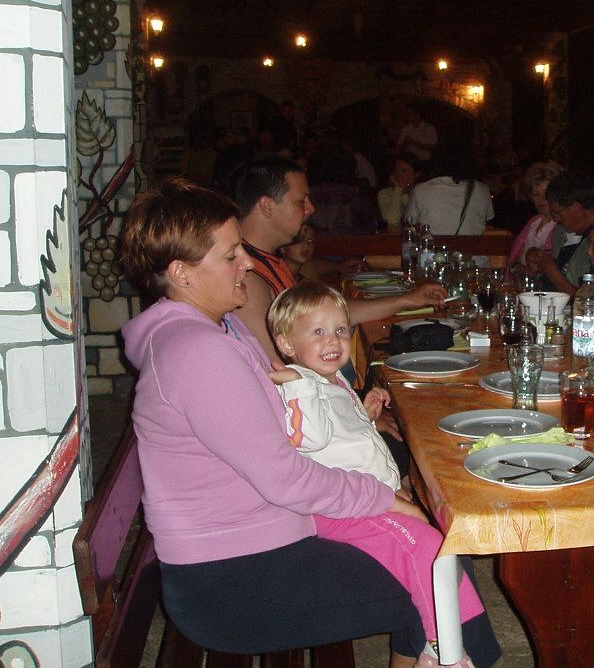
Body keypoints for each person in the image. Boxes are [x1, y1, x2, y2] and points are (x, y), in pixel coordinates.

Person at [118, 178, 500, 666]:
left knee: (436, 558)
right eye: (231, 255)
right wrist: (383, 498)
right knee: (438, 570)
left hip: (255, 544)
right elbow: (286, 477)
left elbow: (286, 431)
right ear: (182, 273)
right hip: (233, 581)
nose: (247, 263)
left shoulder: (215, 329)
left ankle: (445, 650)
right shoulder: (197, 352)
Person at [267, 281, 486, 668]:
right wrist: (299, 387)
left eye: (339, 329)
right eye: (317, 332)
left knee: (439, 543)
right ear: (286, 344)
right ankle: (441, 648)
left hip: (365, 498)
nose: (333, 340)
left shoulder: (331, 380)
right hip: (341, 511)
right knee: (426, 547)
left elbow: (339, 439)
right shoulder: (300, 385)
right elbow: (309, 439)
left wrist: (365, 417)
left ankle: (448, 636)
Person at [232, 157, 446, 364]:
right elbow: (276, 367)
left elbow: (325, 316)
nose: (311, 209)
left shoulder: (268, 261)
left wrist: (407, 300)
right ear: (266, 206)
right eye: (301, 201)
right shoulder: (247, 277)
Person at [530, 170, 594, 295]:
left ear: (576, 209)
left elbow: (589, 301)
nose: (555, 219)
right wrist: (536, 257)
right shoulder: (561, 231)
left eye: (557, 213)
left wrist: (553, 273)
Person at [406, 147, 494, 236]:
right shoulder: (482, 190)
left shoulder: (421, 190)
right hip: (474, 244)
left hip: (434, 244)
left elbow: (409, 223)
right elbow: (486, 220)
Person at [506, 160, 563, 280]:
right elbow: (513, 263)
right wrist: (516, 268)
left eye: (546, 193)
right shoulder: (533, 222)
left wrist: (520, 269)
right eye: (535, 195)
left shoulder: (562, 225)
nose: (541, 199)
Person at [378, 155, 422, 228]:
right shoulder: (384, 193)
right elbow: (392, 220)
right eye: (396, 170)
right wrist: (398, 190)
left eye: (403, 171)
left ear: (416, 174)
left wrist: (403, 194)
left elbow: (417, 217)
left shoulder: (421, 192)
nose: (398, 175)